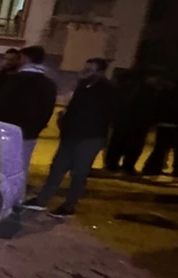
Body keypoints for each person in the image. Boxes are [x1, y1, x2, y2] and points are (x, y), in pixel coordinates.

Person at [24, 58, 115, 216]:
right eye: (85, 68)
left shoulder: (106, 90)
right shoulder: (82, 86)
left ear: (100, 72)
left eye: (89, 70)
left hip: (89, 138)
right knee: (57, 168)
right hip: (70, 136)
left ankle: (69, 206)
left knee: (78, 173)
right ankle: (42, 200)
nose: (84, 72)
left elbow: (102, 114)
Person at [0, 45, 56, 174]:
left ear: (26, 58)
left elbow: (2, 105)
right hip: (31, 133)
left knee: (4, 167)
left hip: (10, 132)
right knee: (22, 167)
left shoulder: (15, 80)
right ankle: (18, 193)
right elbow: (48, 109)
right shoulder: (49, 83)